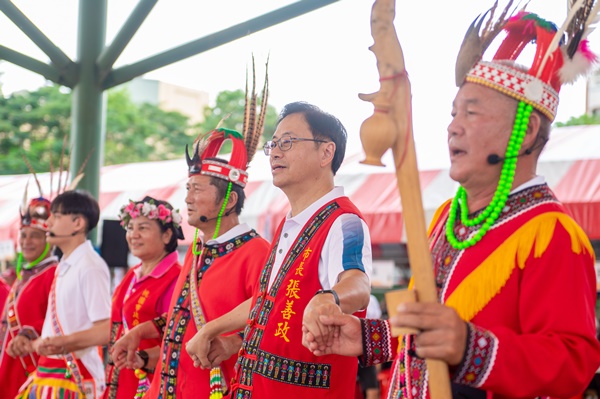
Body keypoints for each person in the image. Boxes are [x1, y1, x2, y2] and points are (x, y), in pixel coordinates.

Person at [304, 7, 600, 399]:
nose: (452, 126)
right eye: (453, 112)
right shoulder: (446, 217)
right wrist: (366, 337)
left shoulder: (551, 233)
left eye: (471, 113)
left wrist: (470, 348)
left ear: (525, 130)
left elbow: (573, 362)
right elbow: (425, 331)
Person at [187, 101, 373, 398]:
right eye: (273, 144)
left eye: (287, 142)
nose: (275, 151)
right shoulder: (291, 224)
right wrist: (215, 332)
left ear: (326, 152)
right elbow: (267, 300)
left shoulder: (344, 220)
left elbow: (358, 282)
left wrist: (330, 297)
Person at [110, 81, 271, 398]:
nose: (188, 199)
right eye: (188, 190)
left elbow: (271, 319)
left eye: (198, 189)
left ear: (230, 200)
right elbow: (182, 315)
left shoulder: (257, 253)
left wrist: (231, 341)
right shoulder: (197, 251)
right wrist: (140, 332)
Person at [17, 189, 111, 398]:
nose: (48, 224)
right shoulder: (65, 264)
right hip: (51, 372)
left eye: (56, 217)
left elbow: (105, 330)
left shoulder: (90, 265)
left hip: (73, 376)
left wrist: (61, 343)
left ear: (78, 223)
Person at [102, 196, 184, 399]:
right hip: (122, 381)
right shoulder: (132, 274)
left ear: (167, 235)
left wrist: (143, 358)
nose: (133, 235)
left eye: (144, 228)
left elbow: (179, 339)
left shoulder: (176, 278)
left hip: (151, 385)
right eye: (130, 228)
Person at [0, 197, 58, 399]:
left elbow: (58, 320)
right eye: (23, 235)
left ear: (49, 239)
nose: (26, 242)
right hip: (11, 363)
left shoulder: (53, 274)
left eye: (35, 236)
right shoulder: (26, 275)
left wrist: (29, 333)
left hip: (33, 365)